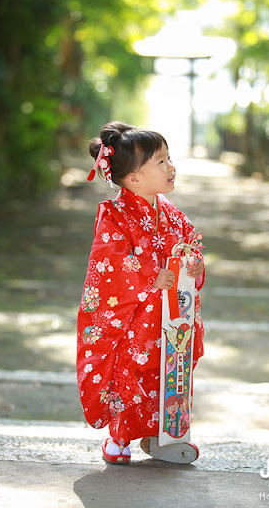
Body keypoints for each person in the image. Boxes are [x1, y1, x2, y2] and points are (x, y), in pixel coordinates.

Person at [76, 121, 205, 465]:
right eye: (160, 162)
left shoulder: (172, 214)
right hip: (136, 318)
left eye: (168, 159)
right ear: (132, 178)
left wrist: (192, 265)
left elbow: (190, 243)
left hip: (172, 314)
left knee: (168, 373)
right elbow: (110, 262)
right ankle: (119, 436)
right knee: (132, 373)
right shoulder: (114, 215)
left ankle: (163, 433)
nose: (171, 167)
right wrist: (150, 275)